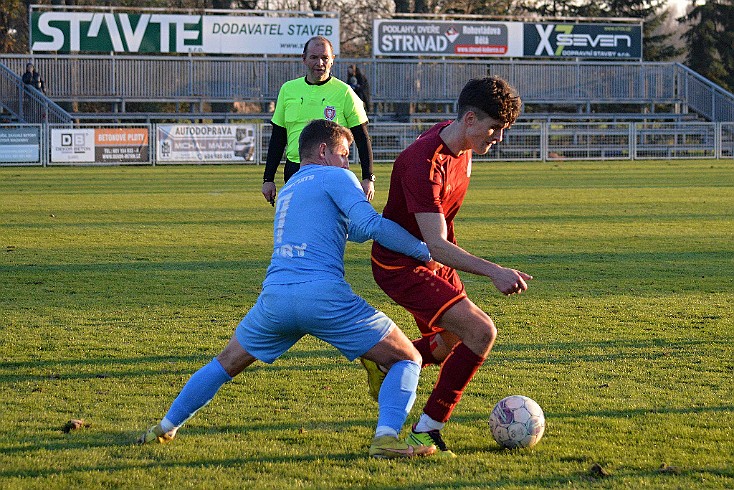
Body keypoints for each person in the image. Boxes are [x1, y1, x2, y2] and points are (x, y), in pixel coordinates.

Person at [138, 119, 436, 459]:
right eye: (344, 154)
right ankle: (385, 438)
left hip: (275, 299)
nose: (347, 163)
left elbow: (350, 230)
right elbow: (369, 224)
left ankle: (164, 427)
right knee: (408, 357)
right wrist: (425, 251)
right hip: (324, 297)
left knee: (224, 363)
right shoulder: (336, 176)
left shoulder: (291, 187)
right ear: (324, 151)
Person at [362, 76, 532, 457]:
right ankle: (427, 431)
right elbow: (436, 244)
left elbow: (440, 242)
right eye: (494, 129)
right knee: (481, 330)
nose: (498, 138)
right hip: (400, 265)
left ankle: (386, 365)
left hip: (433, 258)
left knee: (447, 344)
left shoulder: (463, 145)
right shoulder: (424, 162)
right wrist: (494, 270)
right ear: (470, 119)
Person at [262, 36, 376, 205]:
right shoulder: (288, 90)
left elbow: (362, 137)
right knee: (300, 222)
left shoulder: (345, 92)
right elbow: (278, 137)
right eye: (314, 57)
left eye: (325, 57)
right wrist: (268, 178)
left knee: (331, 223)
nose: (320, 63)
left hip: (332, 172)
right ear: (304, 59)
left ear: (332, 60)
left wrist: (368, 177)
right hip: (295, 170)